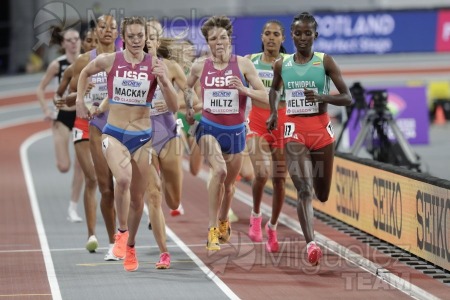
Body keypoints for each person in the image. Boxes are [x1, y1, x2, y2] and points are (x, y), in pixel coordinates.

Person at [77, 16, 178, 272]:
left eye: (139, 36)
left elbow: (175, 107)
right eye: (131, 36)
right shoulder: (110, 60)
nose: (135, 41)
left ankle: (131, 245)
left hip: (143, 138)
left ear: (146, 37)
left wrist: (164, 81)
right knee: (121, 180)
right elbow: (85, 72)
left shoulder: (155, 65)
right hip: (114, 133)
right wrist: (80, 100)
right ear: (124, 37)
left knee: (137, 200)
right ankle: (120, 234)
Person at [266, 12, 352, 266]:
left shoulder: (325, 62)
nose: (303, 38)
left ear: (315, 35)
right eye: (298, 33)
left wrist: (323, 97)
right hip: (294, 130)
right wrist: (273, 111)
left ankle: (312, 228)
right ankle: (311, 244)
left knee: (322, 194)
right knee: (304, 188)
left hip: (321, 131)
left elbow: (347, 97)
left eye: (308, 33)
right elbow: (274, 89)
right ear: (291, 35)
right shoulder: (282, 65)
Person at [185, 16, 268, 251]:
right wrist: (190, 107)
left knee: (229, 186)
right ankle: (212, 229)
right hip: (209, 129)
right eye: (213, 39)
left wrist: (244, 89)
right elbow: (187, 87)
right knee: (218, 170)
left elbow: (265, 95)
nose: (219, 42)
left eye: (222, 37)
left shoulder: (243, 65)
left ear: (229, 39)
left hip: (236, 132)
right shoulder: (200, 66)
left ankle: (223, 219)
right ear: (208, 42)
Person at [69, 15, 118, 254]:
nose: (107, 31)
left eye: (112, 27)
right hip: (95, 126)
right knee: (105, 187)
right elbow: (70, 87)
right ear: (95, 31)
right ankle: (112, 241)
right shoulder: (83, 62)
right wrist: (79, 96)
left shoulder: (126, 58)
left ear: (118, 34)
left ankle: (126, 236)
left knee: (129, 187)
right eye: (102, 26)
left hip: (125, 128)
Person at [144, 23, 190, 268]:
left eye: (152, 38)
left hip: (167, 132)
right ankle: (164, 252)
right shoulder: (128, 70)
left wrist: (170, 97)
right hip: (140, 136)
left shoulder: (170, 67)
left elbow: (189, 94)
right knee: (153, 195)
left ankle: (168, 197)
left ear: (158, 41)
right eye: (144, 37)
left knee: (172, 201)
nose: (147, 42)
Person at [245, 20, 288, 253]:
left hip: (281, 125)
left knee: (280, 180)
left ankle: (272, 226)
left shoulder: (290, 64)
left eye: (276, 34)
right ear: (262, 37)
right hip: (257, 123)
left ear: (283, 39)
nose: (271, 38)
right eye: (267, 34)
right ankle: (255, 215)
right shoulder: (249, 61)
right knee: (261, 173)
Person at [36, 26, 84, 223]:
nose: (73, 42)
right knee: (64, 166)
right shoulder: (57, 64)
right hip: (62, 117)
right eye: (69, 40)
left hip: (81, 116)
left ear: (80, 41)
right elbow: (41, 88)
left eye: (76, 39)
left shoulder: (88, 62)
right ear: (63, 44)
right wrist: (46, 110)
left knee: (81, 165)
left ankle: (72, 208)